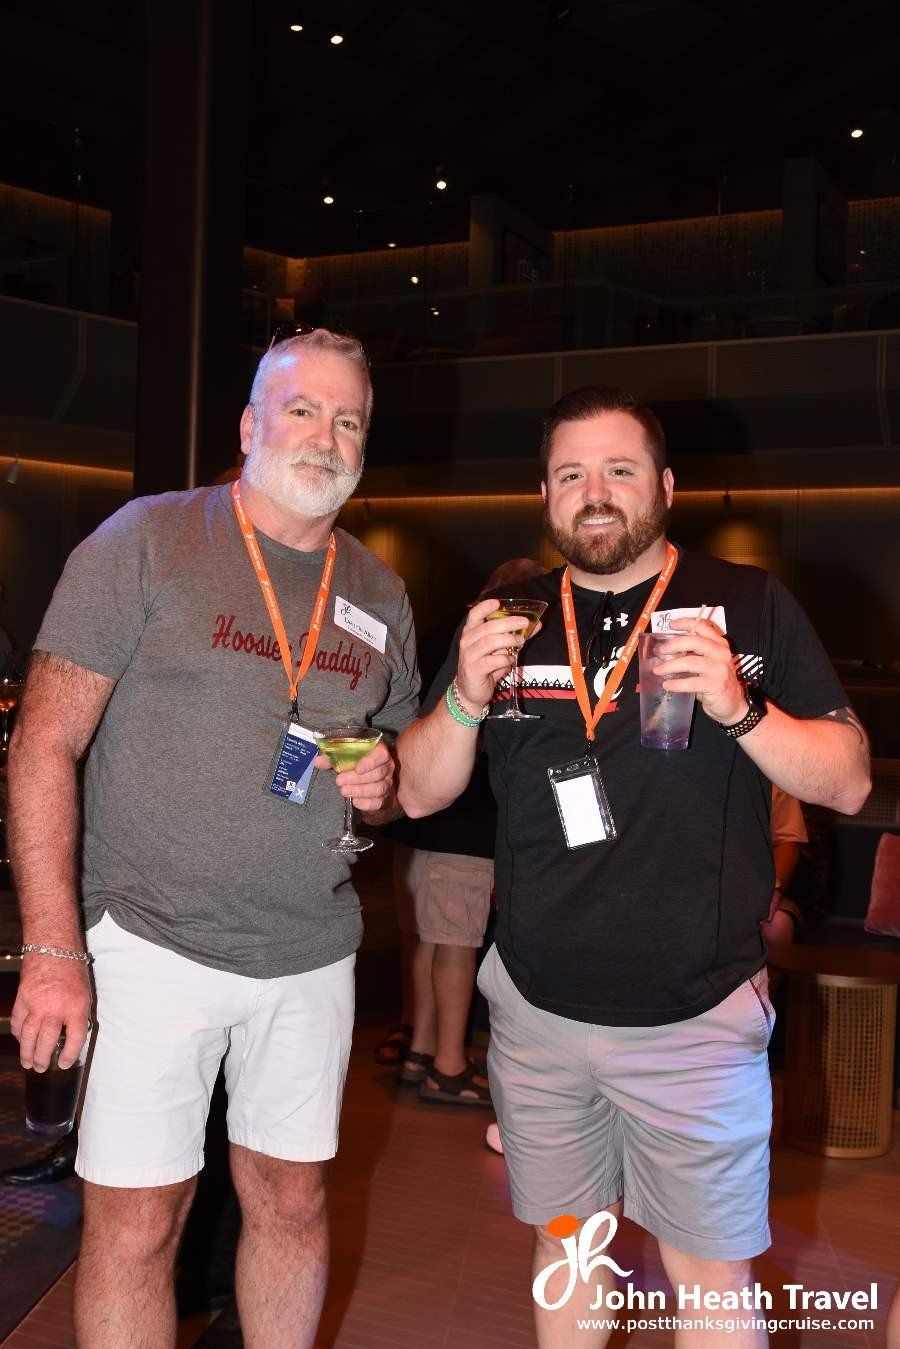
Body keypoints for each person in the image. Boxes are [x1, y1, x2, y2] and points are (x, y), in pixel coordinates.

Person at [395, 383, 871, 1347]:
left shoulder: (748, 601)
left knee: (709, 1275)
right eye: (572, 473)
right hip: (536, 1012)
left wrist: (741, 709)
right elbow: (417, 792)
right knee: (569, 1247)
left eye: (619, 469)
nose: (595, 490)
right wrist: (464, 699)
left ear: (664, 484)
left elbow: (851, 781)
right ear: (545, 493)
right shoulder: (508, 616)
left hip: (694, 1017)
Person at [6, 324, 420, 1349]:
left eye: (349, 418)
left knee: (292, 1200)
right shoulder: (146, 538)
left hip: (310, 948)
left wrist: (387, 781)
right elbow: (42, 745)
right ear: (249, 423)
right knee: (140, 1222)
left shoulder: (377, 592)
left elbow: (398, 772)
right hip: (149, 941)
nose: (326, 434)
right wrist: (54, 948)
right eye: (303, 409)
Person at [384, 558, 547, 1106]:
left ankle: (421, 1051)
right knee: (456, 945)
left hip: (420, 824)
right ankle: (448, 1065)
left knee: (430, 942)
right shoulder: (486, 648)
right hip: (461, 824)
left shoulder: (439, 632)